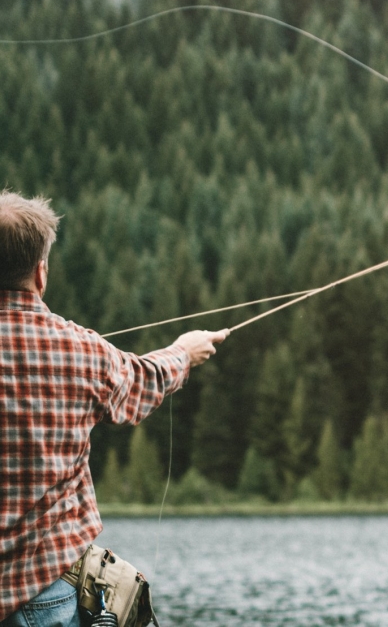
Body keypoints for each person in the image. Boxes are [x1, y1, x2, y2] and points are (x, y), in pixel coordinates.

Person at [0, 191, 229, 626]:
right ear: (40, 272)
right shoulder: (82, 351)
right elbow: (145, 381)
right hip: (43, 594)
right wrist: (184, 351)